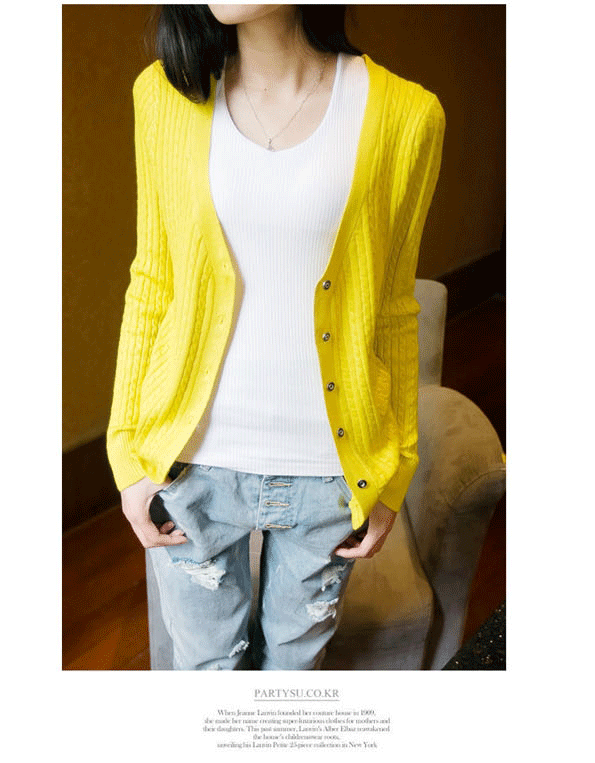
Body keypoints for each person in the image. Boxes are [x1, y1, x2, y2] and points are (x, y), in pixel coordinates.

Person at [107, 4, 445, 670]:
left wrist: (394, 471)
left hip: (328, 474)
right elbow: (152, 281)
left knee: (292, 683)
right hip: (192, 466)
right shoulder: (164, 96)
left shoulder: (407, 116)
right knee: (208, 680)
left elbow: (392, 310)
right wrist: (127, 452)